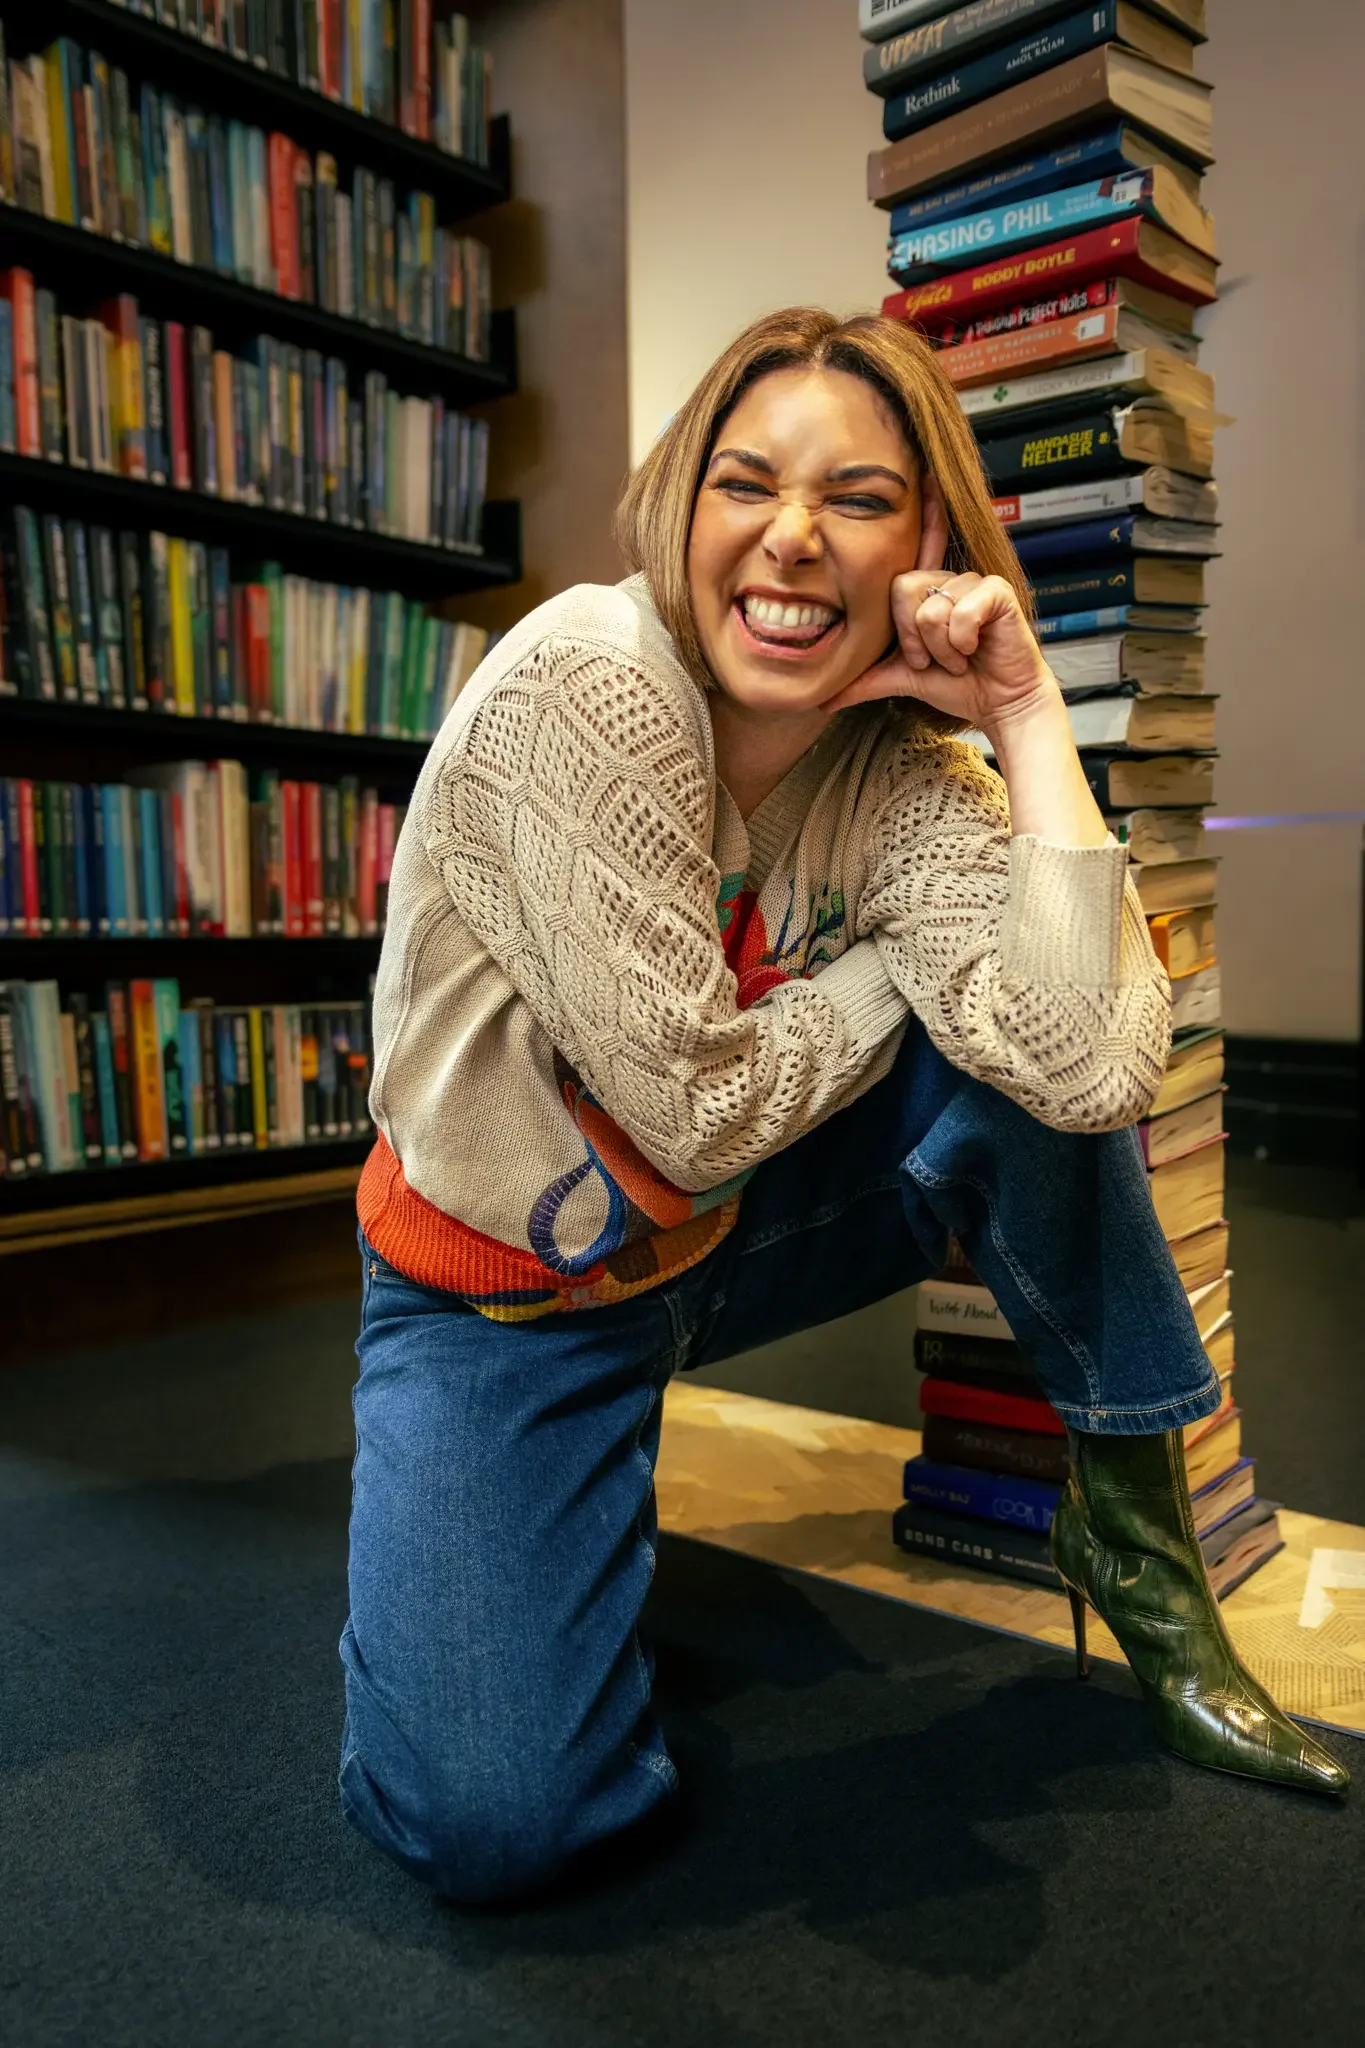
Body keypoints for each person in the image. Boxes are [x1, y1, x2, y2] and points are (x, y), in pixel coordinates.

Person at [340, 307, 1347, 1905]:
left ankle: (1143, 1565)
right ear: (683, 502)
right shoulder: (590, 685)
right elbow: (685, 1112)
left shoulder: (897, 766)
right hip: (514, 1295)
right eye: (748, 481)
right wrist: (889, 977)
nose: (794, 538)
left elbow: (1091, 1069)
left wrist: (1022, 718)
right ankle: (490, 1529)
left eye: (860, 500)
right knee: (499, 1825)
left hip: (727, 1237)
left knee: (1027, 1037)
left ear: (929, 542)